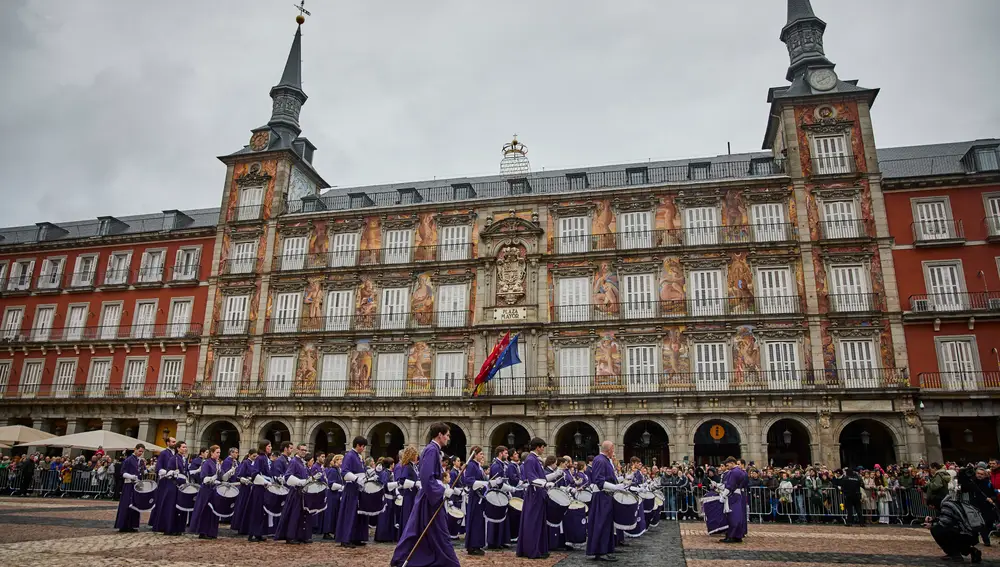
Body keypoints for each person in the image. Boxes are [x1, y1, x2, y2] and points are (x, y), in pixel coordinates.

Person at [391, 422, 460, 567]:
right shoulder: (431, 450)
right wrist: (442, 490)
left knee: (429, 532)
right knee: (436, 532)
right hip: (429, 499)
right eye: (447, 435)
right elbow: (426, 477)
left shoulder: (434, 450)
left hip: (430, 497)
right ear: (440, 435)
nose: (448, 438)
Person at [517, 437, 560, 559]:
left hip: (539, 494)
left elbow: (542, 477)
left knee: (539, 522)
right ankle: (532, 549)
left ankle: (539, 548)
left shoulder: (535, 459)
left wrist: (555, 475)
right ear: (538, 447)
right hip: (534, 494)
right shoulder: (531, 459)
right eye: (542, 447)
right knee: (533, 522)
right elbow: (532, 479)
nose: (543, 450)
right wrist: (546, 484)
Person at [925, 493, 983, 563]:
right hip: (969, 532)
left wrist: (932, 525)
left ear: (932, 504)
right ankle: (971, 551)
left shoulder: (946, 506)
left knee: (936, 530)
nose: (933, 508)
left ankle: (954, 554)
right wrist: (934, 519)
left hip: (964, 533)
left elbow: (946, 523)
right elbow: (950, 518)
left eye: (931, 507)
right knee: (949, 532)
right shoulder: (950, 503)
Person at [587, 440, 619, 562]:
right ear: (609, 449)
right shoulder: (600, 460)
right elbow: (599, 480)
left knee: (606, 524)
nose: (613, 451)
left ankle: (605, 549)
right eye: (613, 449)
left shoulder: (604, 460)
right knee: (601, 523)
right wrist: (616, 487)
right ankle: (600, 551)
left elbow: (609, 478)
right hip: (601, 496)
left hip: (605, 496)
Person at [275, 443, 313, 544]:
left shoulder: (302, 462)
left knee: (302, 515)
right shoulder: (294, 462)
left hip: (303, 492)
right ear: (297, 450)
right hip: (296, 492)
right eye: (302, 450)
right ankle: (290, 536)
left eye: (305, 450)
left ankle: (300, 535)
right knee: (294, 515)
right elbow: (288, 476)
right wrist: (301, 482)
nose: (304, 452)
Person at [189, 445, 229, 539]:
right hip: (206, 490)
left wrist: (229, 472)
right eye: (217, 452)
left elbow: (223, 477)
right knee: (205, 511)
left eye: (219, 452)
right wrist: (213, 478)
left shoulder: (217, 463)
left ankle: (211, 531)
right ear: (212, 453)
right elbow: (204, 477)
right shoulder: (207, 463)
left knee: (213, 511)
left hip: (214, 490)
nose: (219, 454)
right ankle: (203, 532)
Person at [336, 436, 369, 548]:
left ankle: (356, 537)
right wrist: (356, 478)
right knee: (349, 513)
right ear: (358, 445)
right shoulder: (349, 456)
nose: (363, 449)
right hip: (351, 488)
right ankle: (346, 538)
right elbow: (344, 472)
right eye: (363, 446)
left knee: (357, 514)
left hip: (358, 488)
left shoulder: (358, 457)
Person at [245, 440, 274, 541]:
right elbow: (255, 474)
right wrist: (265, 482)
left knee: (263, 511)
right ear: (264, 447)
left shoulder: (266, 458)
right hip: (259, 488)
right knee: (257, 511)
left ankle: (260, 533)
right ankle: (253, 533)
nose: (270, 448)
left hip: (265, 487)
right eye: (269, 446)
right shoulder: (260, 458)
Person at [463, 447, 489, 556]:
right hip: (475, 497)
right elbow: (468, 480)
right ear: (475, 455)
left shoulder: (477, 466)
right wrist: (484, 484)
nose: (483, 456)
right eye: (481, 454)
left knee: (478, 521)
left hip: (479, 497)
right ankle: (473, 546)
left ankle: (477, 544)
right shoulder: (471, 465)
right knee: (475, 521)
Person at [149, 437, 179, 532]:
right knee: (162, 501)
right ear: (167, 443)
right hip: (164, 480)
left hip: (173, 481)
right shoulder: (164, 453)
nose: (175, 443)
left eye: (175, 442)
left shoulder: (175, 454)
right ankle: (158, 523)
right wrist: (168, 472)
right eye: (173, 442)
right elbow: (159, 468)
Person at [114, 444, 145, 532]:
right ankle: (123, 525)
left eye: (142, 452)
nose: (140, 453)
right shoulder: (128, 460)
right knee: (127, 504)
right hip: (129, 485)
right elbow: (122, 472)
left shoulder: (140, 461)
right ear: (135, 449)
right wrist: (131, 476)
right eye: (139, 451)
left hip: (137, 486)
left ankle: (132, 525)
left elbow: (143, 471)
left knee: (135, 505)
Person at [486, 445, 512, 550]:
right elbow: (498, 482)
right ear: (500, 453)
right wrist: (510, 489)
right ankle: (493, 541)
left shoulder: (501, 465)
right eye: (505, 453)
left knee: (501, 518)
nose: (507, 455)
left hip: (501, 494)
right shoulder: (496, 465)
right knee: (495, 518)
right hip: (496, 495)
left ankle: (499, 541)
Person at [719, 457, 748, 544]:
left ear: (732, 463)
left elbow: (730, 485)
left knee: (732, 516)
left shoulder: (733, 472)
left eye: (728, 465)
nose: (727, 467)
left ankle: (731, 536)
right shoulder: (740, 471)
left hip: (733, 495)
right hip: (738, 495)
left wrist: (723, 495)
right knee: (738, 515)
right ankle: (738, 535)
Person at [320, 453, 345, 540]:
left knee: (334, 513)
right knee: (330, 513)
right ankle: (326, 532)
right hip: (332, 495)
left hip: (336, 494)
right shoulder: (333, 470)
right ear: (336, 460)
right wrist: (342, 487)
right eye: (341, 459)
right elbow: (331, 484)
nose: (343, 461)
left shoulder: (338, 470)